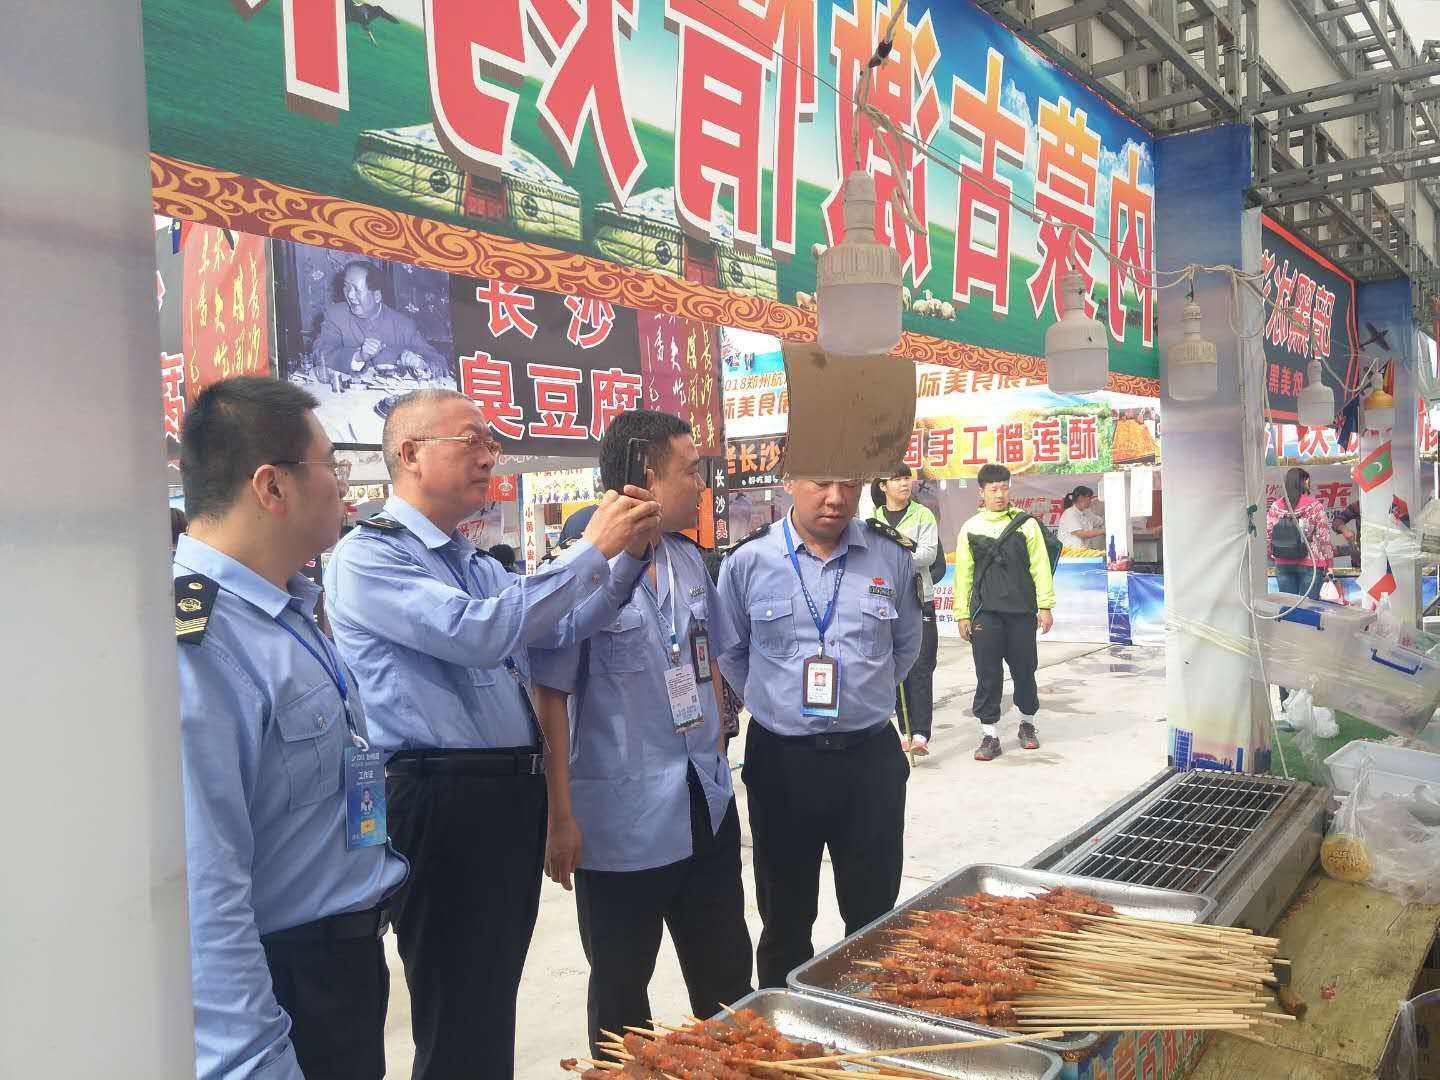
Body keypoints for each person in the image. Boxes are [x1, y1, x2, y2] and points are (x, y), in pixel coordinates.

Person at [322, 389, 659, 1080]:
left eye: (491, 443)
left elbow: (561, 627)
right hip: (441, 800)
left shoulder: (475, 562)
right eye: (472, 441)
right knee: (458, 1011)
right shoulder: (368, 557)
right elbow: (478, 633)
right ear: (410, 454)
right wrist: (590, 550)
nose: (489, 457)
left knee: (488, 1001)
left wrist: (626, 558)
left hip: (502, 798)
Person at [173, 376, 408, 1079]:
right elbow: (205, 880)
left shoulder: (284, 609)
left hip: (343, 965)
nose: (344, 487)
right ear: (272, 487)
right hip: (288, 980)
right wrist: (254, 1059)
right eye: (331, 467)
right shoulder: (198, 639)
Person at [531, 410, 753, 1054]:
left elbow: (709, 657)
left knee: (726, 980)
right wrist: (560, 817)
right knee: (622, 995)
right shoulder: (578, 570)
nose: (700, 486)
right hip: (621, 823)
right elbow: (550, 697)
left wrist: (717, 742)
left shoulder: (689, 559)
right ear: (647, 476)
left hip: (704, 801)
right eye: (690, 471)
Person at [713, 474, 922, 989]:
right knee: (784, 920)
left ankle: (866, 1022)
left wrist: (861, 699)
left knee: (874, 920)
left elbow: (906, 647)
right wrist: (776, 703)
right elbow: (731, 653)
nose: (835, 498)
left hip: (868, 761)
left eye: (849, 485)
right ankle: (781, 1024)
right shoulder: (748, 561)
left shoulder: (891, 556)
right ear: (789, 482)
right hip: (783, 763)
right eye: (821, 483)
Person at [954, 464, 1056, 763]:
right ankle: (990, 734)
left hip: (1022, 612)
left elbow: (1040, 567)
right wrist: (962, 614)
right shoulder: (971, 527)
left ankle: (1027, 723)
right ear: (982, 492)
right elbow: (964, 574)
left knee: (1025, 670)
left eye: (1004, 488)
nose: (1000, 494)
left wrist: (1045, 606)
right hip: (985, 613)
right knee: (987, 673)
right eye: (993, 489)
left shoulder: (1027, 525)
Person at [869, 466, 940, 755]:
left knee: (921, 665)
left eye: (906, 478)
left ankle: (921, 734)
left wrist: (892, 558)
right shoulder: (871, 518)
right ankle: (904, 730)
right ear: (882, 486)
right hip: (883, 599)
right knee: (894, 665)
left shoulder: (923, 515)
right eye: (896, 479)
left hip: (919, 597)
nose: (903, 484)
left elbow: (929, 554)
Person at [313, 261, 450, 382]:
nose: (349, 295)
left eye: (357, 290)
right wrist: (358, 356)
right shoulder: (335, 315)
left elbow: (439, 362)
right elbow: (320, 355)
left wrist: (422, 364)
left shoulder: (403, 325)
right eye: (347, 287)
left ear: (377, 296)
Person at [1267, 467, 1333, 600]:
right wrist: (1329, 562)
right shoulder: (1315, 506)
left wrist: (1272, 555)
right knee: (1309, 607)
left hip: (1283, 562)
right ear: (1305, 482)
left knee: (1289, 606)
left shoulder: (1276, 507)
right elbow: (1323, 537)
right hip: (1311, 562)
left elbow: (1268, 534)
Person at [1057, 485, 1104, 550]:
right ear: (1081, 498)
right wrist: (1103, 531)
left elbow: (1100, 521)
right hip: (1070, 554)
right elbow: (1081, 534)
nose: (1090, 501)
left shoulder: (1087, 512)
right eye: (1089, 498)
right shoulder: (1069, 513)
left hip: (1083, 551)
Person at [1336, 501, 1361, 570]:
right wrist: (1343, 529)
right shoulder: (1358, 505)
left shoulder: (1389, 505)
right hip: (1361, 558)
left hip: (1386, 556)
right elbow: (1338, 520)